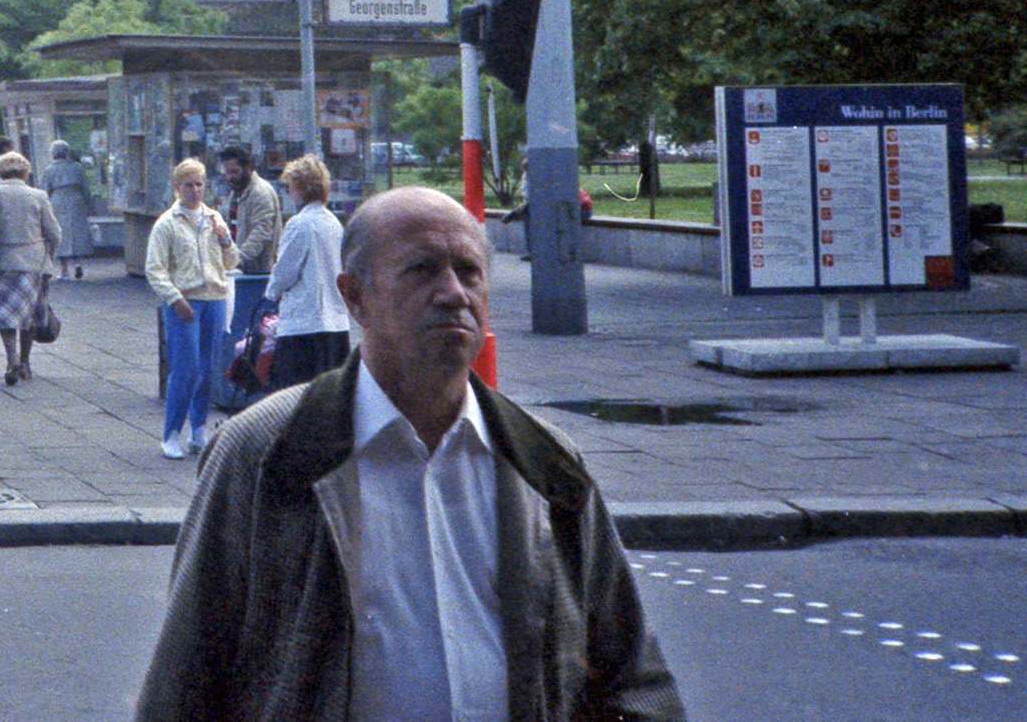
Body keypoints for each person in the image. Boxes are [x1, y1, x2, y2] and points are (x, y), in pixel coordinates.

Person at [135, 186, 685, 721]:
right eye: (422, 270)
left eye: (469, 272)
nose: (454, 293)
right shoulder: (266, 452)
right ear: (355, 297)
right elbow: (185, 679)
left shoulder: (543, 461)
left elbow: (633, 676)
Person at [146, 158, 235, 458]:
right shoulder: (167, 223)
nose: (195, 191)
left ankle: (199, 430)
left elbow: (231, 262)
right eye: (188, 185)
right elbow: (154, 268)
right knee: (186, 368)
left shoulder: (214, 218)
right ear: (177, 187)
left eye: (199, 184)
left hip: (215, 298)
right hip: (185, 301)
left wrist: (226, 241)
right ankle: (171, 434)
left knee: (208, 368)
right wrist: (174, 298)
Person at [264, 153, 351, 390]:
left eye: (291, 186)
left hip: (303, 323)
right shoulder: (333, 223)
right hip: (336, 321)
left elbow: (285, 271)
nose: (289, 191)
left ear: (301, 188)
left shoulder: (300, 223)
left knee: (295, 394)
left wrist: (271, 292)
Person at [0, 151, 63, 385]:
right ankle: (25, 362)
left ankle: (11, 359)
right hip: (33, 263)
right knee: (30, 314)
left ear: (1, 173)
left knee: (6, 314)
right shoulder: (38, 196)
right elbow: (54, 233)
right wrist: (49, 257)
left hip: (2, 262)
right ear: (25, 172)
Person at [221, 143, 283, 275]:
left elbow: (261, 232)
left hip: (259, 272)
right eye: (228, 173)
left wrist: (238, 259)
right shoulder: (238, 191)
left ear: (248, 168)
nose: (231, 177)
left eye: (235, 172)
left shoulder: (260, 192)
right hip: (243, 269)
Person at [42, 141, 91, 268]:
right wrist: (89, 205)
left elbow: (45, 189)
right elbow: (85, 188)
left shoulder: (50, 170)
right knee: (77, 231)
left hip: (57, 199)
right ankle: (78, 263)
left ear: (53, 153)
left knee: (60, 232)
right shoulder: (77, 167)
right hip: (76, 199)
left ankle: (64, 269)